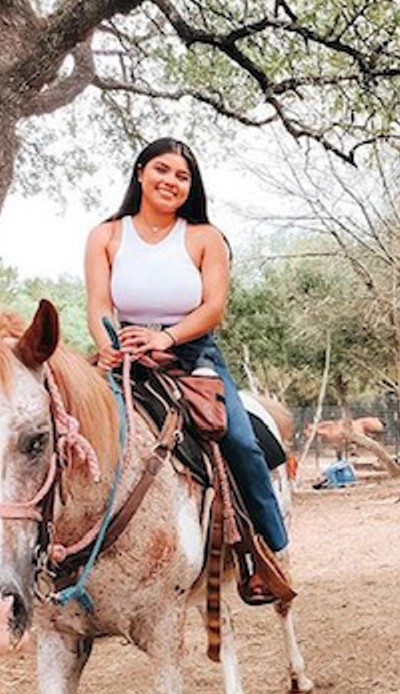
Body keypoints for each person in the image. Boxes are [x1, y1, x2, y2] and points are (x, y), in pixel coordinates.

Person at [84, 137, 290, 556]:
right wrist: (107, 345)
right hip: (125, 352)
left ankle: (269, 549)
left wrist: (166, 337)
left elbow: (214, 307)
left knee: (240, 440)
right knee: (73, 427)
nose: (171, 181)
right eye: (161, 169)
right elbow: (99, 303)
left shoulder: (204, 237)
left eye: (182, 176)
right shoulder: (105, 235)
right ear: (140, 172)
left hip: (193, 354)